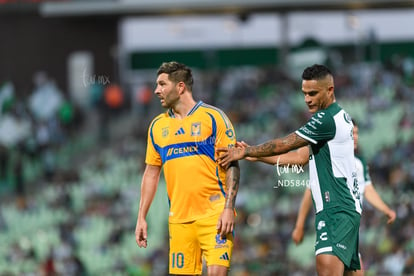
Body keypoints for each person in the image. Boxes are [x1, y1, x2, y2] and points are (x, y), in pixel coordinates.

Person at [217, 64, 361, 276]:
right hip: (345, 210)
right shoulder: (340, 117)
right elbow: (299, 158)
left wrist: (247, 152)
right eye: (304, 93)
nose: (307, 99)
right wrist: (251, 154)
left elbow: (286, 143)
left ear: (330, 90)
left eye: (313, 93)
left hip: (335, 211)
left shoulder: (325, 119)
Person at [135, 61, 240, 276]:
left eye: (162, 84)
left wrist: (229, 207)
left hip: (215, 216)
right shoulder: (157, 126)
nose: (156, 91)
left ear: (180, 87)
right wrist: (141, 217)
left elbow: (233, 165)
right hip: (179, 220)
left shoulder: (213, 118)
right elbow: (151, 173)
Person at [290, 121, 396, 275]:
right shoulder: (329, 160)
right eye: (352, 133)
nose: (355, 137)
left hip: (350, 234)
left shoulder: (359, 163)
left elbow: (368, 189)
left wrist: (386, 210)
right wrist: (299, 226)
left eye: (357, 133)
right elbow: (309, 191)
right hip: (334, 227)